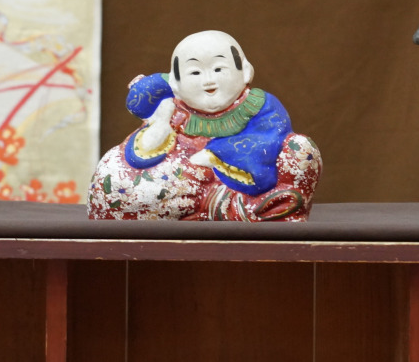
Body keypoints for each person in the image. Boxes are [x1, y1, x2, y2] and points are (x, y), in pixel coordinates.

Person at [88, 30, 321, 221]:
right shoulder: (172, 110)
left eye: (219, 69)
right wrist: (161, 125)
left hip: (248, 179)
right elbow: (141, 154)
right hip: (185, 184)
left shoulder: (259, 104)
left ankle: (243, 209)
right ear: (176, 83)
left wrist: (215, 154)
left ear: (245, 72)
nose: (209, 80)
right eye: (195, 72)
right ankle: (214, 209)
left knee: (301, 149)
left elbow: (269, 137)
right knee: (120, 179)